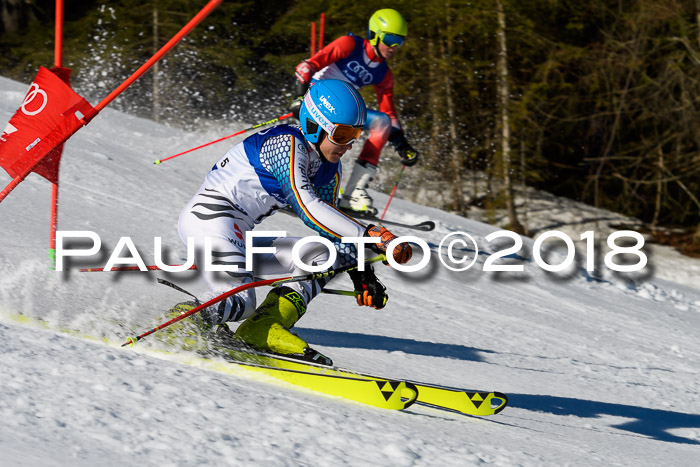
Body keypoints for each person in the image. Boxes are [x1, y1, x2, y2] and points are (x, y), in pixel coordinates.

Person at [177, 79, 412, 365]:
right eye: (343, 134)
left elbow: (334, 231)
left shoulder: (327, 167)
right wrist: (372, 234)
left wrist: (363, 274)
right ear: (314, 125)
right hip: (209, 219)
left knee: (324, 255)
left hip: (237, 233)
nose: (349, 145)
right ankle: (181, 323)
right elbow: (306, 206)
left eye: (356, 135)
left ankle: (262, 328)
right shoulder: (285, 143)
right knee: (240, 300)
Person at [293, 8, 419, 216]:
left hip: (343, 109)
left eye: (400, 42)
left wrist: (402, 144)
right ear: (375, 34)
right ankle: (301, 178)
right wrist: (300, 97)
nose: (394, 47)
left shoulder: (383, 73)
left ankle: (353, 193)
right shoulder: (350, 45)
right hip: (318, 96)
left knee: (382, 122)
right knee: (340, 120)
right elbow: (307, 66)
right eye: (390, 39)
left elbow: (390, 114)